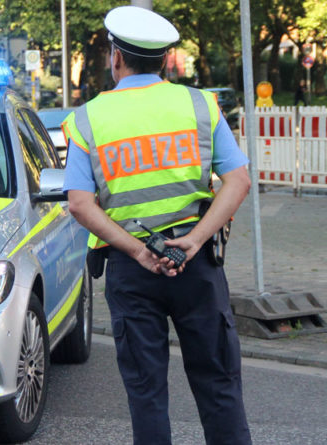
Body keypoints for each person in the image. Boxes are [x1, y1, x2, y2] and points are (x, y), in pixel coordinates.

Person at [60, 6, 252, 445]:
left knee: (147, 396)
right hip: (197, 265)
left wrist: (136, 251)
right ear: (166, 60)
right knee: (219, 386)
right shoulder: (199, 105)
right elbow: (237, 180)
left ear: (115, 58)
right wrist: (193, 241)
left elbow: (79, 204)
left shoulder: (88, 119)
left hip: (132, 271)